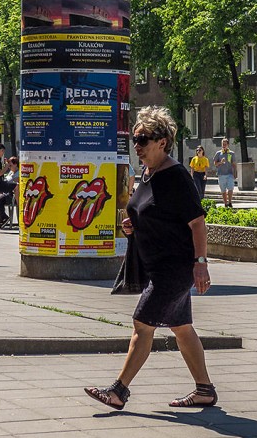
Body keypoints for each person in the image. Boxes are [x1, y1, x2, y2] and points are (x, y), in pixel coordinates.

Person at [84, 105, 216, 411]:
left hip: (174, 267)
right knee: (181, 328)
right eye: (136, 139)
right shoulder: (148, 174)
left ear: (162, 142)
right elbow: (152, 214)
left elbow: (197, 223)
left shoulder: (177, 176)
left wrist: (201, 263)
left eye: (144, 139)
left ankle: (118, 391)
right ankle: (205, 390)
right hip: (157, 265)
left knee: (142, 324)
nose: (138, 146)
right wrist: (132, 226)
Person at [213, 138, 236, 209]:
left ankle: (230, 202)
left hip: (230, 174)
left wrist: (235, 173)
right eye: (223, 144)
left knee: (230, 188)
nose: (224, 145)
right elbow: (215, 164)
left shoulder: (231, 153)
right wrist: (220, 162)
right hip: (221, 174)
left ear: (228, 145)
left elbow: (234, 164)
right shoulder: (218, 153)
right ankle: (225, 203)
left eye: (225, 144)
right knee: (223, 190)